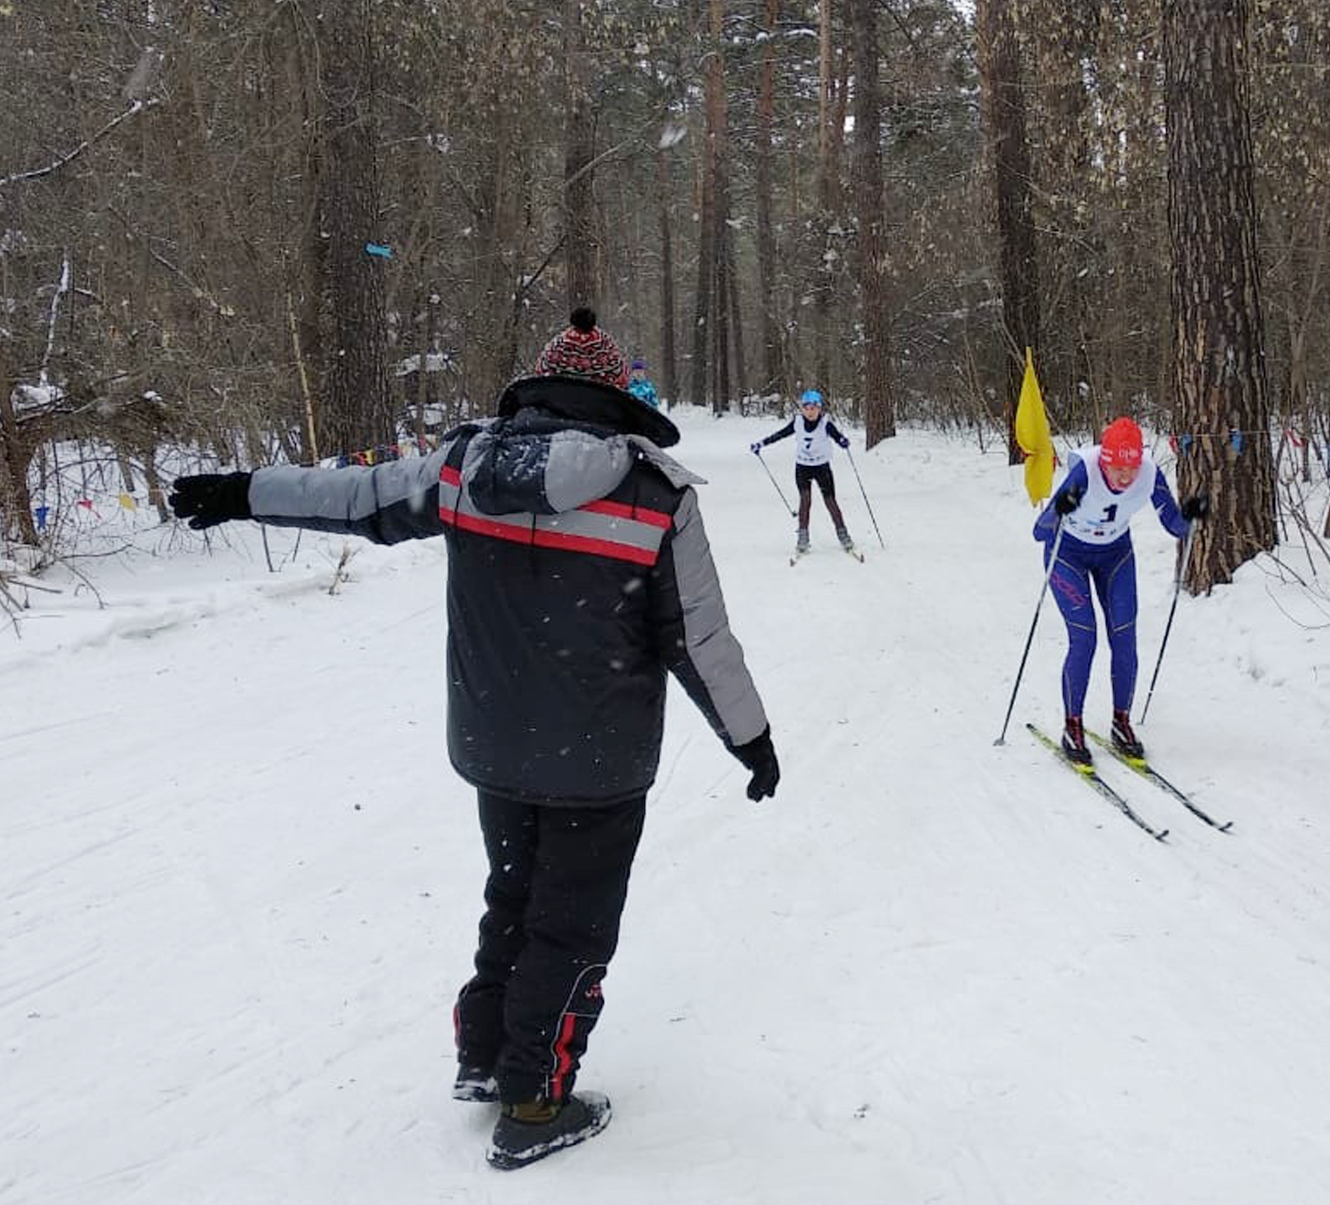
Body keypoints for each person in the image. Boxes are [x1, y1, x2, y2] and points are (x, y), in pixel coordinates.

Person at [167, 306, 780, 1172]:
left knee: (514, 891)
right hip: (600, 767)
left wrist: (242, 489)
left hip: (496, 746)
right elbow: (700, 639)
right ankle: (534, 1097)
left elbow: (352, 498)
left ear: (538, 391)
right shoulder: (653, 496)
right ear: (615, 401)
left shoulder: (463, 470)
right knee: (571, 927)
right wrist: (750, 738)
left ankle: (484, 1050)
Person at [1031, 417, 1208, 766]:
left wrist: (1190, 516)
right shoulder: (1086, 473)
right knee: (1085, 638)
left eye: (1131, 467)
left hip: (1115, 555)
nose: (1125, 476)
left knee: (1125, 637)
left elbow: (1173, 524)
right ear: (1104, 460)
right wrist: (1059, 509)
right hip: (1067, 555)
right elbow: (1040, 531)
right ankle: (1073, 725)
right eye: (1117, 467)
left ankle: (1121, 720)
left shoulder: (1148, 473)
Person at [752, 388, 854, 554]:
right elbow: (780, 434)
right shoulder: (797, 422)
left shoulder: (825, 423)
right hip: (803, 468)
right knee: (805, 501)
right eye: (806, 407)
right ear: (802, 409)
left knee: (830, 502)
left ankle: (843, 535)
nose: (810, 411)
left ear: (820, 408)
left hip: (822, 468)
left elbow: (837, 437)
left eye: (814, 407)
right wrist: (761, 444)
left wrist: (843, 441)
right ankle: (803, 537)